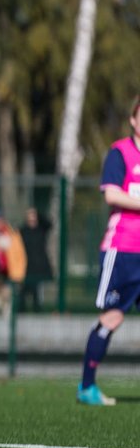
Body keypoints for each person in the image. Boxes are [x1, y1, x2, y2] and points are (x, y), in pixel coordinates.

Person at [76, 95, 140, 406]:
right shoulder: (120, 153)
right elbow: (112, 194)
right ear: (133, 119)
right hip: (123, 251)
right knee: (112, 317)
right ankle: (87, 386)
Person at [19, 207, 54, 313]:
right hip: (27, 265)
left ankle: (37, 311)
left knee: (37, 292)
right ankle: (21, 312)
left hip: (39, 265)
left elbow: (49, 224)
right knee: (23, 292)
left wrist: (38, 214)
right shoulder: (23, 231)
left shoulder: (41, 230)